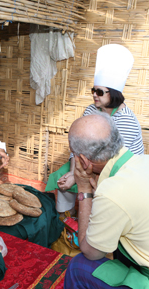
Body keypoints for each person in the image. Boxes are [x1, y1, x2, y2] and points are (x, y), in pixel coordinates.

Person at [46, 44, 144, 216]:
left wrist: (78, 177)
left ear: (113, 93)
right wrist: (71, 172)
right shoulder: (91, 110)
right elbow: (79, 145)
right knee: (62, 181)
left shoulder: (127, 120)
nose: (94, 95)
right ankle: (65, 222)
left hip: (117, 172)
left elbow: (114, 161)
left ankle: (92, 225)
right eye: (93, 90)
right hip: (90, 162)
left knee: (99, 198)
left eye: (99, 92)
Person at [64, 112, 149, 288]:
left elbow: (91, 252)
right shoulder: (144, 160)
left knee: (78, 266)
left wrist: (84, 188)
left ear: (84, 161)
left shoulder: (112, 192)